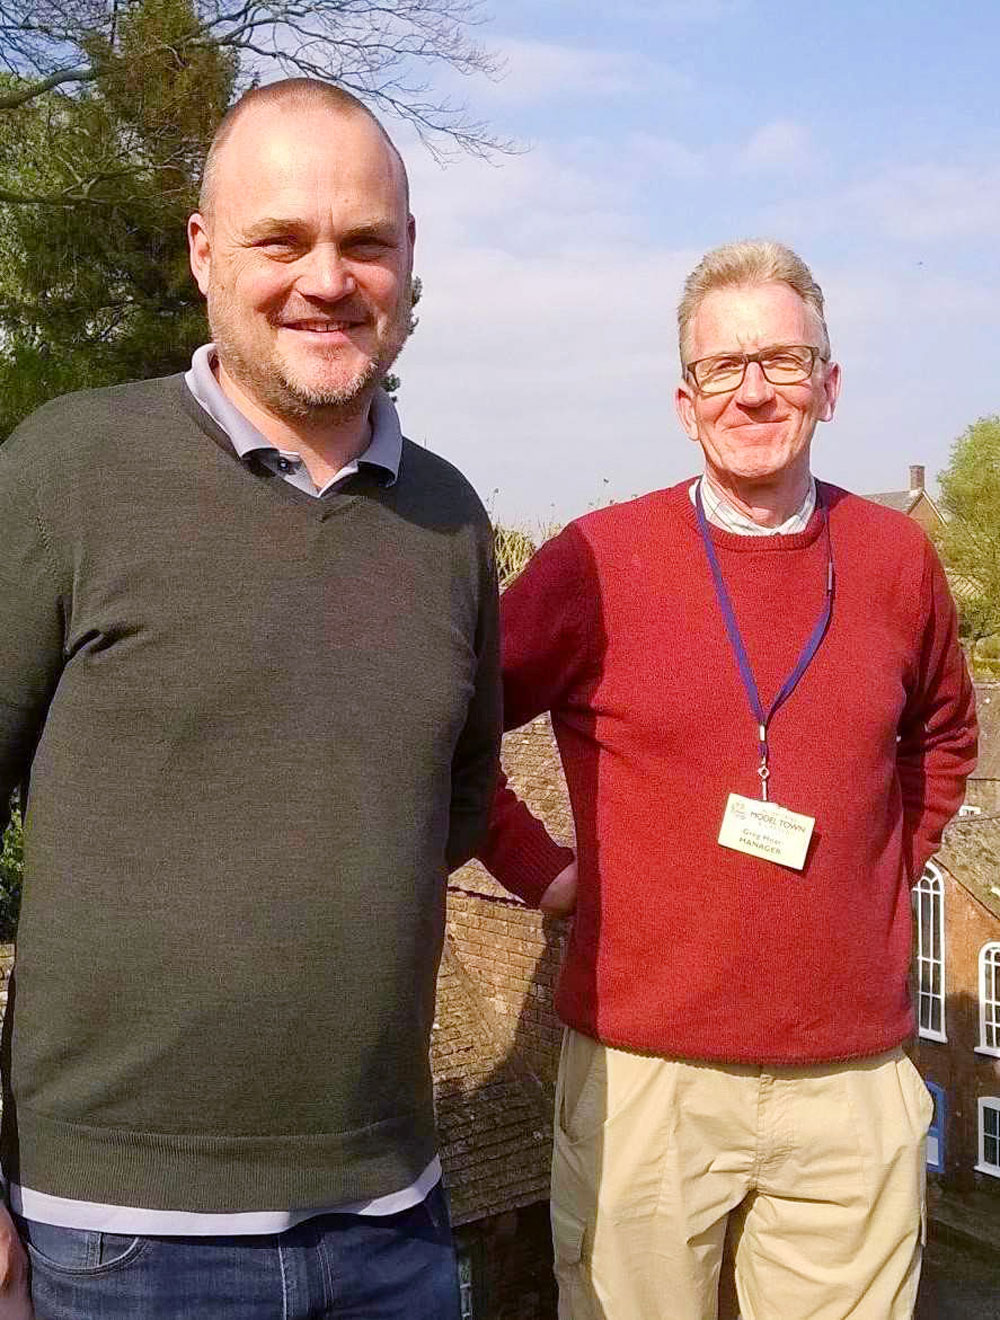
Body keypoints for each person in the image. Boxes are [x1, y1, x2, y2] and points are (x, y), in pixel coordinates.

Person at [0, 78, 499, 1320]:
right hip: (116, 1241)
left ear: (408, 259)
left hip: (392, 1220)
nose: (326, 278)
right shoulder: (68, 473)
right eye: (282, 238)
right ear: (204, 251)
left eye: (363, 241)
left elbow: (450, 816)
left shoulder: (448, 521)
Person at [478, 240, 977, 1320]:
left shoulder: (895, 559)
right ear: (683, 399)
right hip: (643, 1081)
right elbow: (449, 726)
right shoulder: (595, 559)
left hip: (850, 1084)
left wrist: (879, 865)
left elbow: (941, 738)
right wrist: (536, 868)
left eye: (785, 362)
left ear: (828, 387)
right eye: (722, 367)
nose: (754, 390)